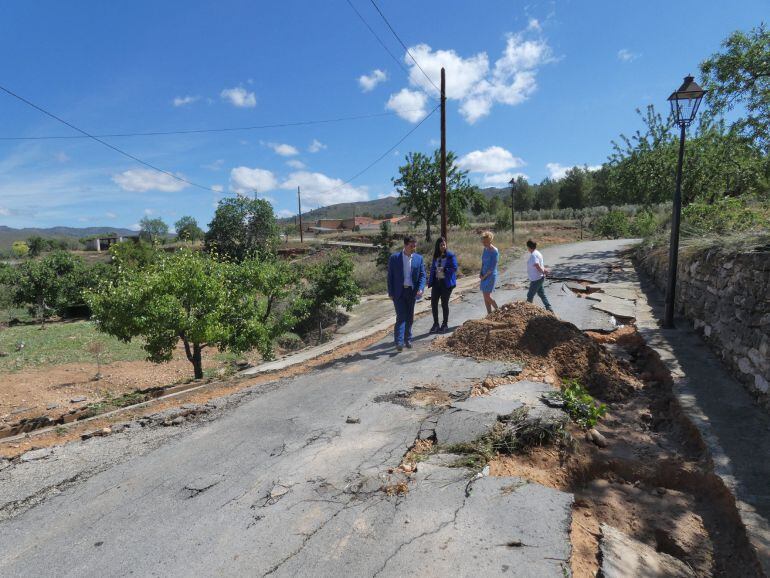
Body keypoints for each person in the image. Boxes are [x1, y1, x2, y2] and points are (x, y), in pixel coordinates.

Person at [387, 235, 426, 351]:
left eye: (415, 245)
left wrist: (421, 288)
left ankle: (408, 339)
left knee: (409, 316)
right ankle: (399, 342)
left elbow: (423, 275)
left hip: (412, 292)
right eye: (411, 246)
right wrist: (390, 291)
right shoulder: (394, 258)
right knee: (401, 316)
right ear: (405, 245)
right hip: (398, 292)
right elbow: (390, 276)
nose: (414, 248)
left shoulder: (419, 258)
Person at [427, 236, 457, 334]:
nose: (443, 246)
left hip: (446, 283)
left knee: (444, 304)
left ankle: (445, 324)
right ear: (438, 246)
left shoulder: (450, 255)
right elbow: (432, 268)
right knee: (433, 303)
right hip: (437, 283)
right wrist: (430, 280)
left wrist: (445, 269)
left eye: (444, 244)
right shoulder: (436, 256)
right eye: (441, 245)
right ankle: (436, 324)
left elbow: (454, 268)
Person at [526, 239, 553, 311]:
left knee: (530, 296)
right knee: (541, 294)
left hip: (536, 279)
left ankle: (528, 311)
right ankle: (549, 308)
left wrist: (543, 271)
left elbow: (537, 265)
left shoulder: (534, 255)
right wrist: (544, 271)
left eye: (527, 247)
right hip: (539, 278)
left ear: (529, 247)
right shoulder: (537, 253)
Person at [479, 231, 499, 314]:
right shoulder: (485, 249)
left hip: (490, 275)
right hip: (484, 274)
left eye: (485, 242)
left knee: (487, 296)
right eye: (483, 241)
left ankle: (498, 311)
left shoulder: (494, 251)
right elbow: (483, 262)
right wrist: (481, 272)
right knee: (485, 296)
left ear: (490, 241)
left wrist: (484, 276)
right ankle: (489, 314)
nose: (484, 243)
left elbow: (492, 267)